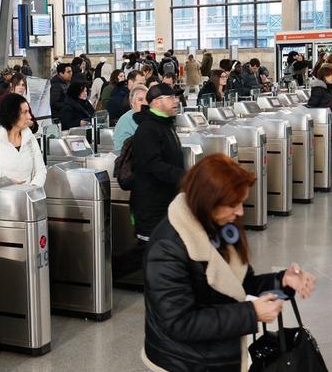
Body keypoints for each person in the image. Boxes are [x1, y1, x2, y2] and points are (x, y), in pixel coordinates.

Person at [143, 154, 317, 371]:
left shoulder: (221, 228)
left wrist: (282, 281)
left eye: (242, 202)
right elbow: (179, 322)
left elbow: (240, 287)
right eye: (233, 204)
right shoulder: (168, 246)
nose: (240, 211)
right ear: (208, 201)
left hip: (217, 355)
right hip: (186, 362)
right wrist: (251, 314)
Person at [116, 83, 185, 281]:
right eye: (171, 97)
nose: (176, 101)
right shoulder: (148, 129)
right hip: (149, 204)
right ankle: (110, 274)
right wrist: (184, 176)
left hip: (166, 202)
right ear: (156, 102)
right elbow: (153, 165)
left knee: (160, 246)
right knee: (146, 249)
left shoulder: (165, 125)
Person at [0, 93, 46, 186]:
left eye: (28, 112)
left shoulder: (30, 139)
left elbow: (41, 170)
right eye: (25, 112)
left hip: (26, 197)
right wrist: (3, 182)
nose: (29, 117)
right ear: (12, 114)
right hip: (1, 198)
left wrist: (33, 188)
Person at [112, 85, 148, 154]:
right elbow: (120, 150)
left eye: (147, 99)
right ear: (132, 103)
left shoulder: (148, 117)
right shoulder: (125, 120)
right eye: (140, 100)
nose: (145, 103)